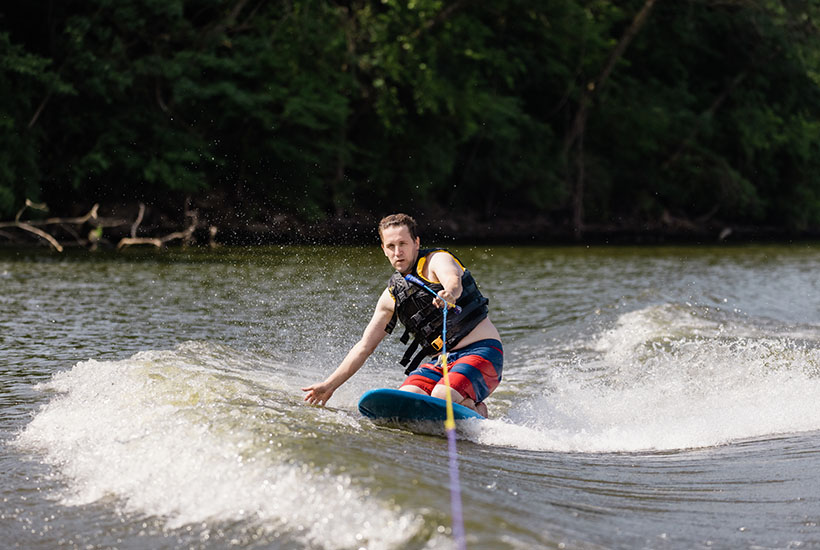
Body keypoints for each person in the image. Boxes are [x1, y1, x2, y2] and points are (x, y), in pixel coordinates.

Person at [302, 213, 503, 417]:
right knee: (408, 401)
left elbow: (453, 280)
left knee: (441, 397)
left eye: (403, 244)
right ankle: (471, 406)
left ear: (416, 243)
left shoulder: (436, 260)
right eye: (391, 246)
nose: (398, 252)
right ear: (383, 249)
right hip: (440, 363)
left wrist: (449, 294)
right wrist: (330, 385)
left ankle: (475, 409)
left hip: (482, 352)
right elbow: (364, 347)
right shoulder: (391, 297)